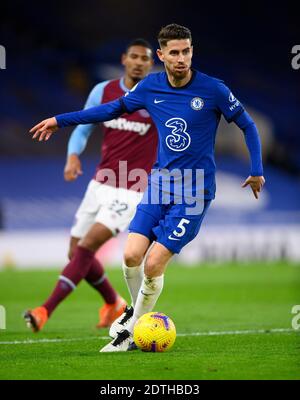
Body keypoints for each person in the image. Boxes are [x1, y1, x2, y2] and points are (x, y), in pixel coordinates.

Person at [29, 23, 265, 351]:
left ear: (191, 51)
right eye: (174, 52)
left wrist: (256, 169)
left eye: (186, 51)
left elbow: (247, 125)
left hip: (194, 192)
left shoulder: (213, 89)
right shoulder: (151, 87)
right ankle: (136, 315)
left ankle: (130, 332)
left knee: (153, 263)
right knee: (130, 255)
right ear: (162, 55)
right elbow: (108, 110)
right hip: (158, 185)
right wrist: (60, 120)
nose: (181, 58)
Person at [24, 38, 158, 332]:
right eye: (133, 56)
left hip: (132, 189)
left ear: (151, 63)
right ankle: (113, 303)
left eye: (144, 58)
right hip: (100, 182)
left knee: (86, 247)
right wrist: (73, 156)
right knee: (76, 252)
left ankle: (45, 310)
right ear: (124, 59)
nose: (138, 62)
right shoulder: (103, 91)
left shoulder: (157, 97)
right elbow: (84, 128)